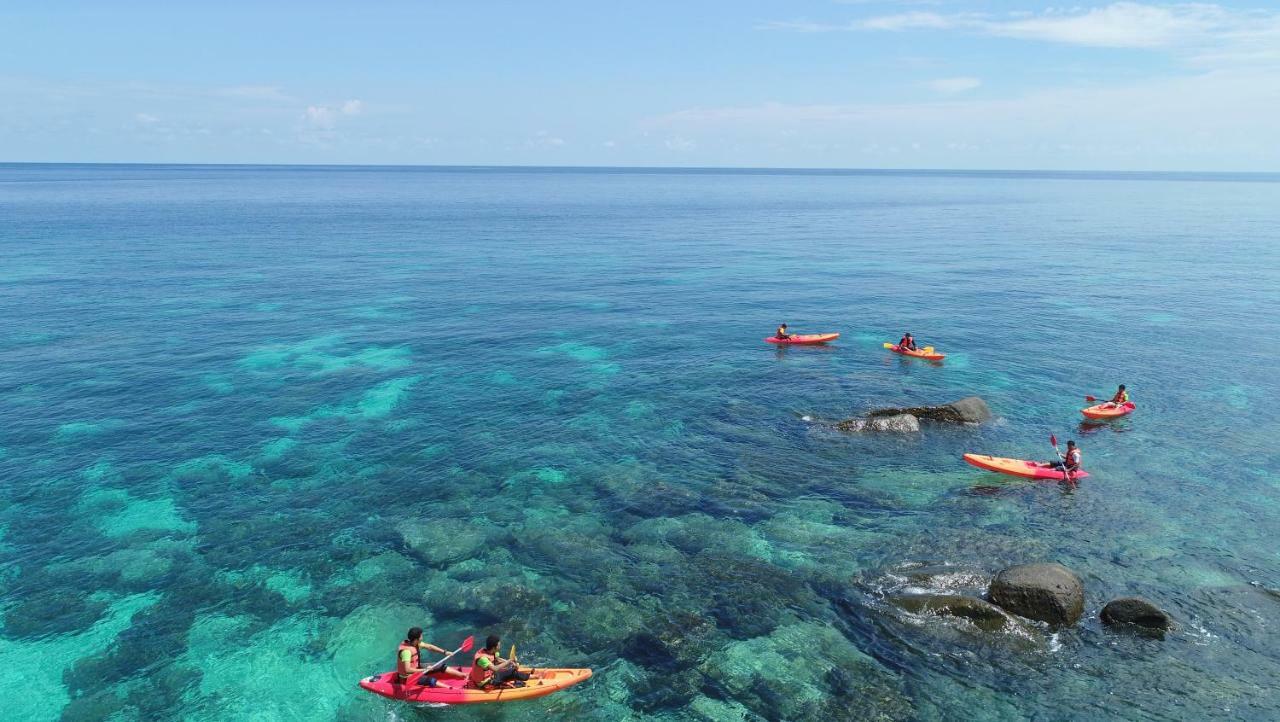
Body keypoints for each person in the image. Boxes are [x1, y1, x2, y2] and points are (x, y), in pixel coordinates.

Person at [397, 627, 466, 685]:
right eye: (421, 636)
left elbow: (429, 647)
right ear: (416, 639)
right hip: (408, 678)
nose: (422, 637)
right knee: (431, 680)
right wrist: (424, 670)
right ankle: (451, 689)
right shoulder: (406, 652)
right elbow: (407, 670)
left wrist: (445, 652)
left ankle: (462, 675)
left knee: (439, 665)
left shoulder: (416, 643)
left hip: (417, 667)